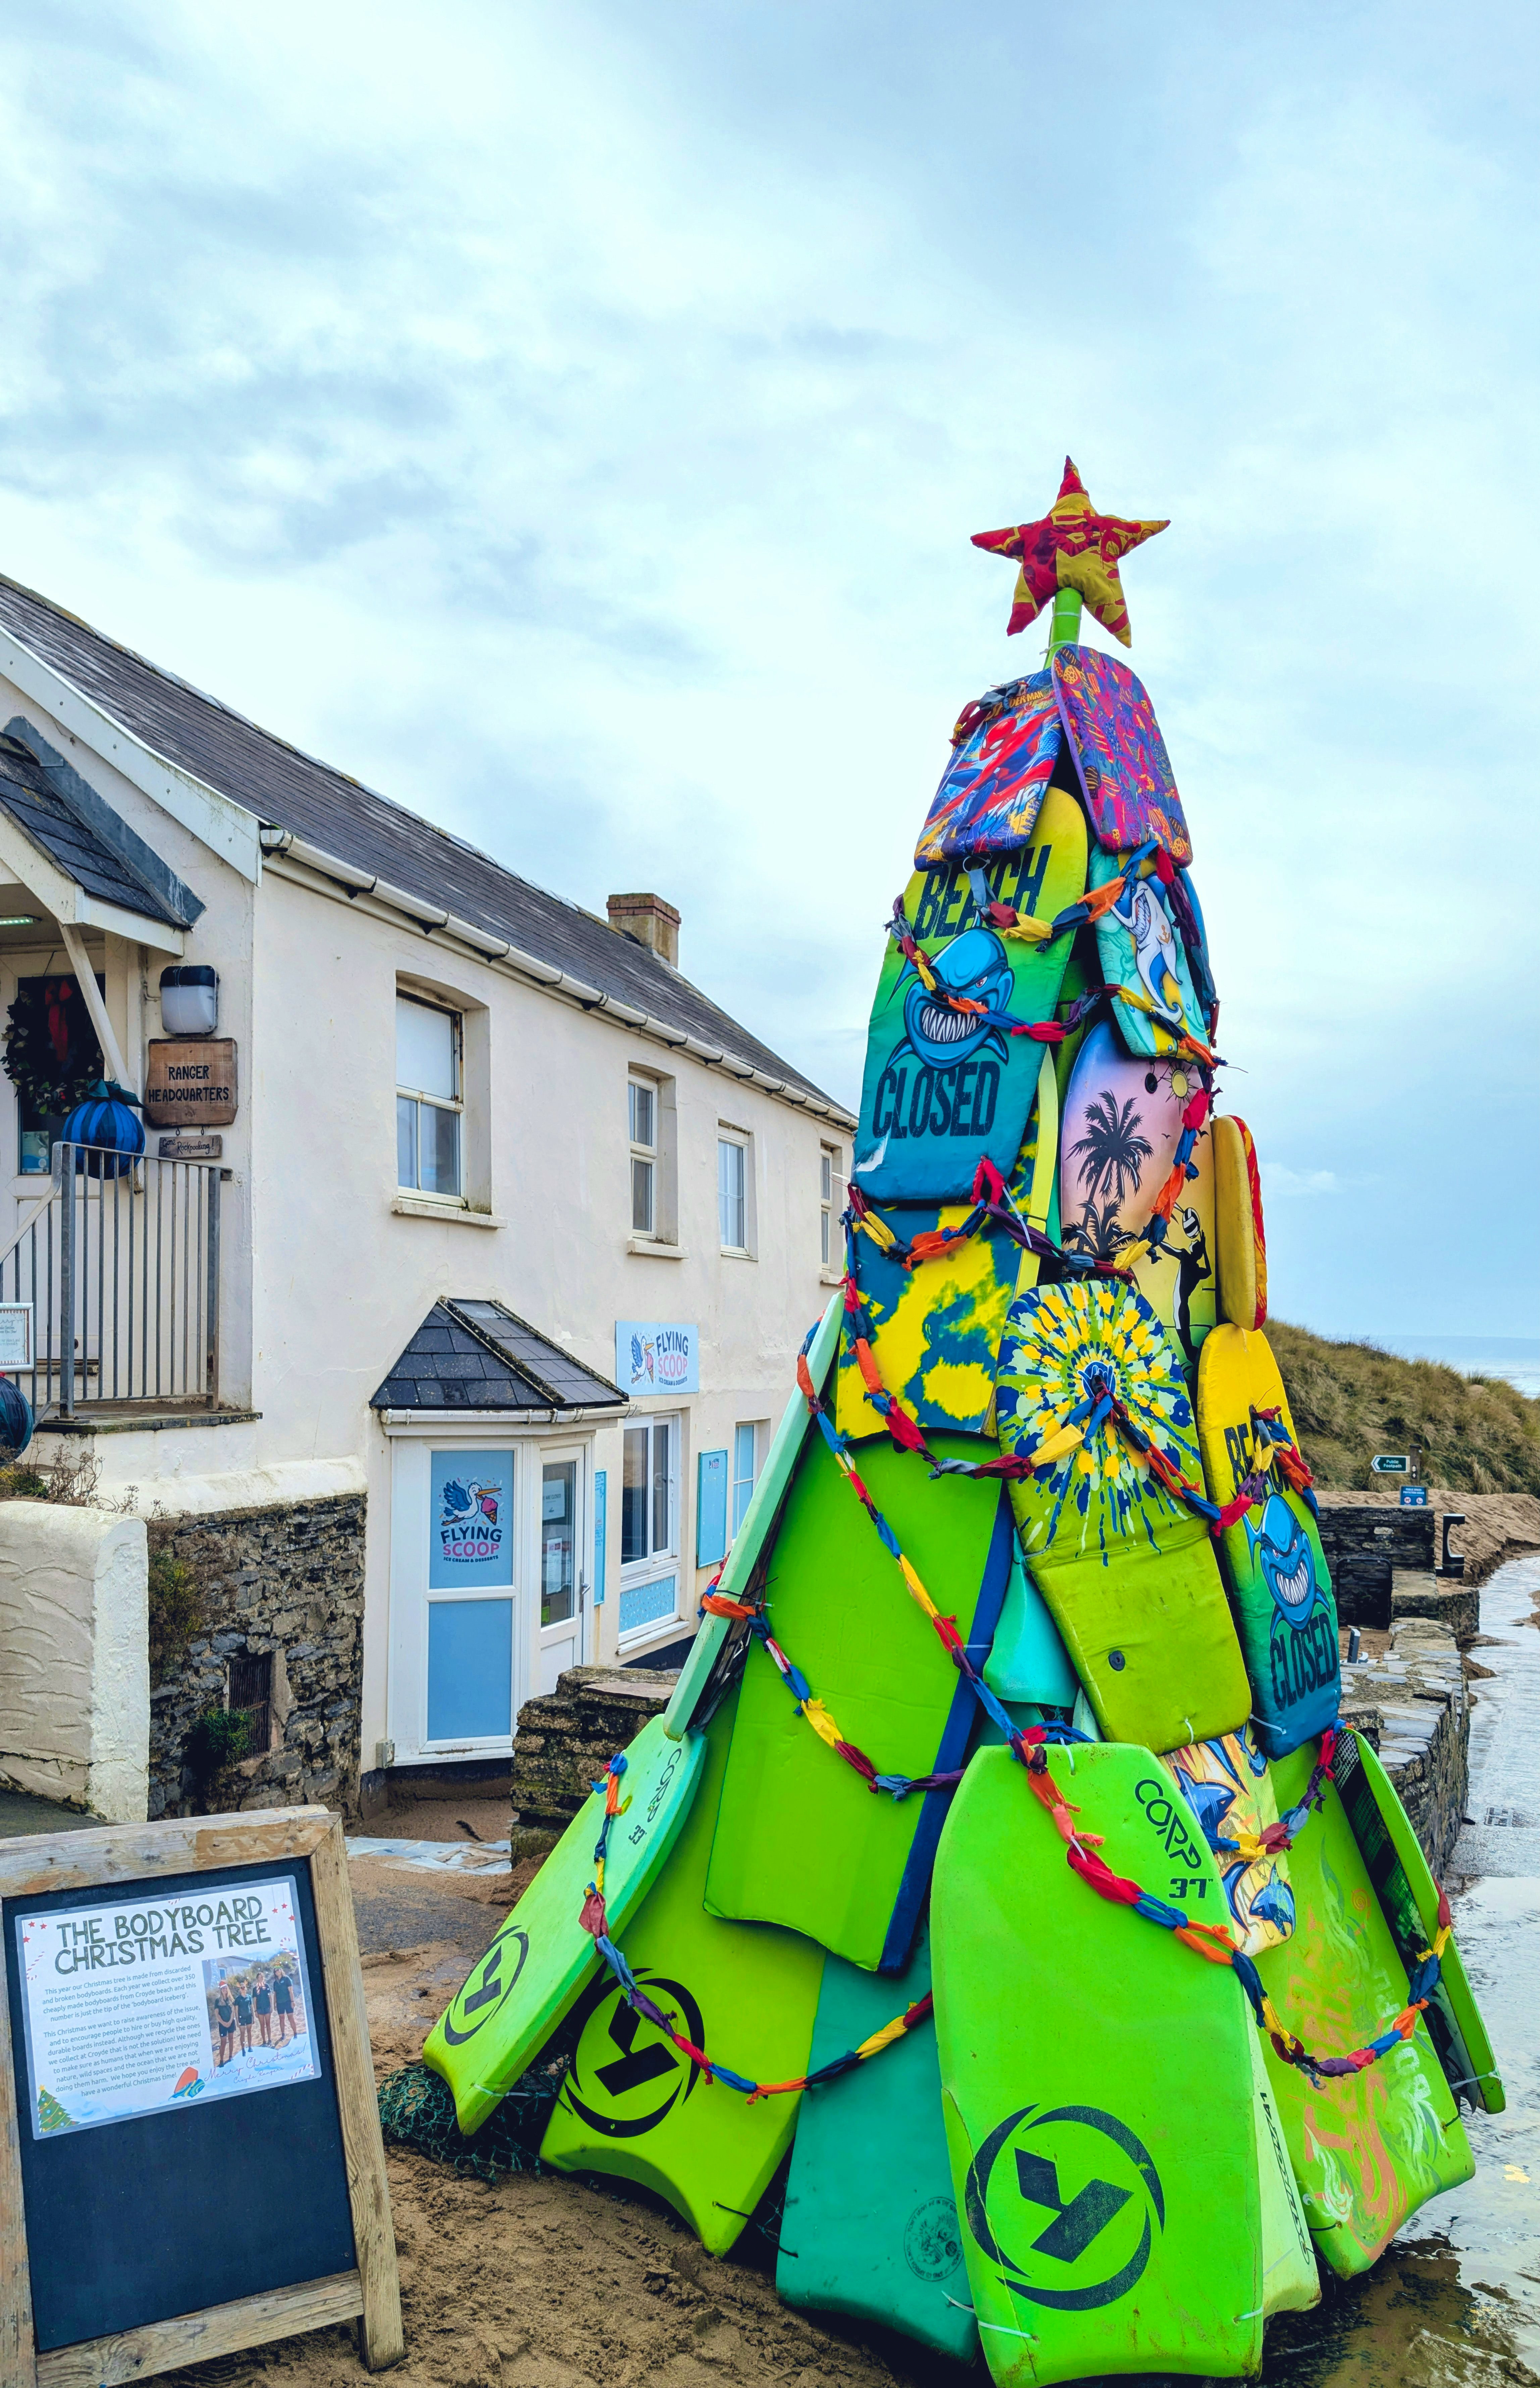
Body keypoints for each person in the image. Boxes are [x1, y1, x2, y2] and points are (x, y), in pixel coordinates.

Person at [212, 1983, 236, 2068]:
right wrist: (223, 2023)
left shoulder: (231, 2000)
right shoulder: (218, 2001)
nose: (225, 1990)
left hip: (231, 2023)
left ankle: (230, 2057)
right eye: (223, 1989)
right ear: (221, 1990)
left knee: (231, 2040)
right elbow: (217, 2014)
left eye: (226, 1988)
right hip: (222, 2025)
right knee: (223, 2042)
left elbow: (233, 2012)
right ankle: (222, 2061)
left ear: (228, 1989)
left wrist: (230, 2022)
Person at [272, 1965, 297, 2047]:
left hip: (288, 2002)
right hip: (280, 2004)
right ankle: (283, 2035)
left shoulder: (287, 1979)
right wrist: (274, 2004)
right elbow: (275, 1995)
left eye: (278, 1970)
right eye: (275, 1971)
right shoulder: (275, 1983)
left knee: (291, 2018)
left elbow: (291, 1991)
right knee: (282, 2019)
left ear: (281, 1970)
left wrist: (293, 2001)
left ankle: (295, 2034)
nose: (277, 1972)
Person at [233, 1976, 255, 2059]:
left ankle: (250, 2047)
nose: (243, 1988)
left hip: (249, 2017)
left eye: (244, 1987)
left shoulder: (249, 1997)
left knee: (249, 2032)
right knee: (243, 2033)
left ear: (246, 1989)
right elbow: (236, 2010)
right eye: (241, 1987)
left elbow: (252, 2008)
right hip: (241, 2018)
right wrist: (237, 2021)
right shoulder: (238, 1999)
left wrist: (253, 2017)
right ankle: (243, 2049)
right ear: (240, 1990)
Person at [253, 1970, 273, 2048]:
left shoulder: (267, 1986)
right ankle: (264, 2041)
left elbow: (270, 1997)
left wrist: (271, 2007)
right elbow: (255, 2001)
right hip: (260, 2009)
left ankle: (270, 2040)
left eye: (261, 1978)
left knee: (268, 2024)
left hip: (267, 2008)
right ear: (257, 1979)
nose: (260, 1979)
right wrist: (255, 2011)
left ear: (263, 1978)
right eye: (259, 1978)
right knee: (262, 2025)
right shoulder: (255, 1989)